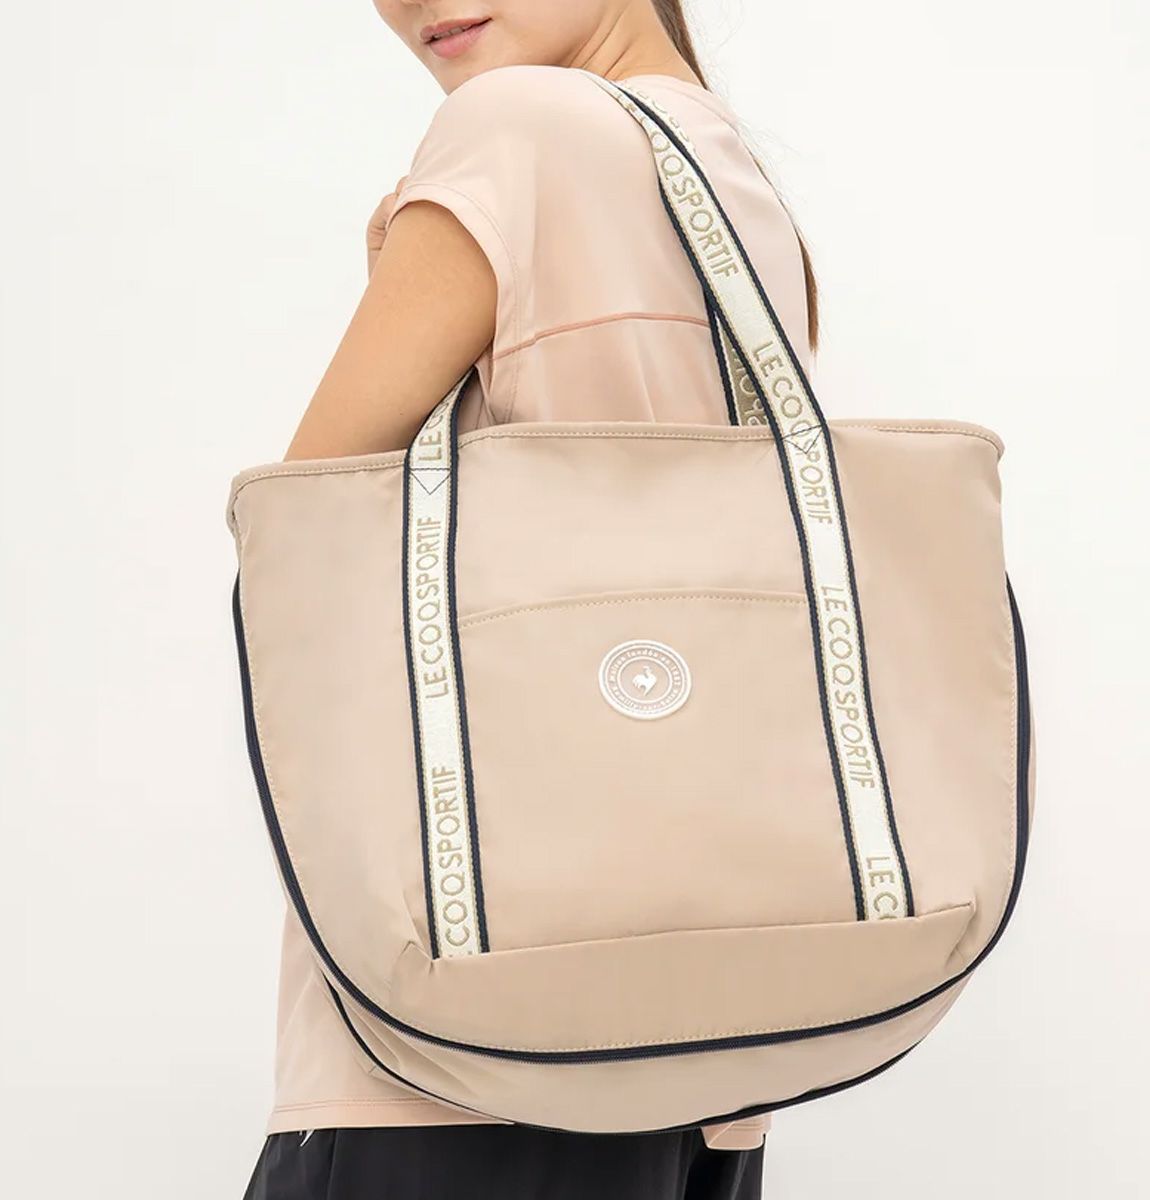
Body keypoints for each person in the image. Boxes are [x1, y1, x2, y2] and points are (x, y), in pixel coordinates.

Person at [244, 2, 819, 1196]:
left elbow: (299, 544)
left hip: (463, 1038)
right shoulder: (730, 177)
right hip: (712, 1048)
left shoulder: (521, 128)